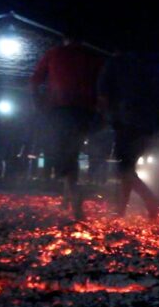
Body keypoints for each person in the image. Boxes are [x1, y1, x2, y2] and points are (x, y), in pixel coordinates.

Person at [30, 33, 104, 219]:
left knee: (65, 154)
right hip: (84, 112)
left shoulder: (55, 53)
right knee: (72, 151)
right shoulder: (92, 57)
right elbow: (101, 86)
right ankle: (67, 199)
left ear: (65, 39)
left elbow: (35, 80)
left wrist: (38, 102)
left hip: (60, 110)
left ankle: (76, 200)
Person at [96, 51, 159, 217]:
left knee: (124, 168)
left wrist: (104, 116)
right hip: (145, 123)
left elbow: (103, 93)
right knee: (127, 167)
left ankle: (151, 201)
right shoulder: (143, 65)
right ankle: (122, 209)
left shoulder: (114, 64)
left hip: (126, 122)